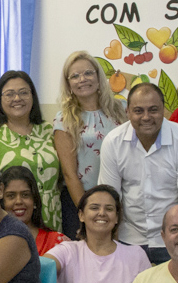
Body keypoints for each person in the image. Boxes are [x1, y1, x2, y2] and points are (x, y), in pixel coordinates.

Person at [98, 82, 178, 263]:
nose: (146, 117)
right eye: (138, 111)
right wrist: (107, 242)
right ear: (128, 112)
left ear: (163, 110)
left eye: (153, 110)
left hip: (174, 238)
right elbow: (108, 198)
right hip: (129, 237)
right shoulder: (113, 142)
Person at [0, 70, 64, 233]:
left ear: (32, 96)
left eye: (23, 93)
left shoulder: (49, 130)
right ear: (0, 99)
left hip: (50, 220)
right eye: (10, 94)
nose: (17, 98)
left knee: (49, 259)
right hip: (6, 224)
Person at [52, 50, 125, 239]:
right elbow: (69, 174)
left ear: (99, 77)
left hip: (122, 201)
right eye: (75, 76)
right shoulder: (64, 120)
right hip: (82, 203)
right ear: (68, 84)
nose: (82, 79)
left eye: (88, 73)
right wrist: (87, 214)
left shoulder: (122, 110)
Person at [0, 165, 67, 256]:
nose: (19, 201)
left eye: (25, 195)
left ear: (34, 200)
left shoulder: (57, 242)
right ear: (2, 203)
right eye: (11, 196)